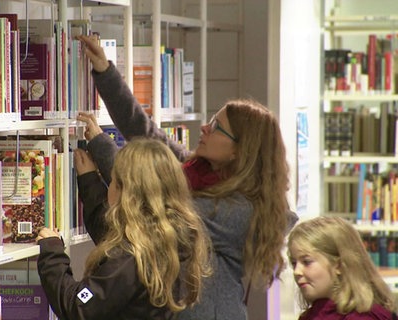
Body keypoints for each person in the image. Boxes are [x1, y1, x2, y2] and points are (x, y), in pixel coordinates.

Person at [75, 34, 298, 319]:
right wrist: (105, 72)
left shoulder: (239, 211)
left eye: (217, 127)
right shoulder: (197, 170)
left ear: (239, 151)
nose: (205, 127)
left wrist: (101, 145)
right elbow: (144, 131)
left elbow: (149, 194)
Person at [36, 138, 212, 319]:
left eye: (112, 181)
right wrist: (89, 179)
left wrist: (52, 254)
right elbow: (110, 234)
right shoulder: (173, 236)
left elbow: (77, 306)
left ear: (126, 193)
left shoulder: (130, 258)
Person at [288, 217, 396, 319]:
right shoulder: (311, 315)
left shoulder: (363, 317)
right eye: (294, 263)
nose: (297, 272)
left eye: (307, 262)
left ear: (339, 265)